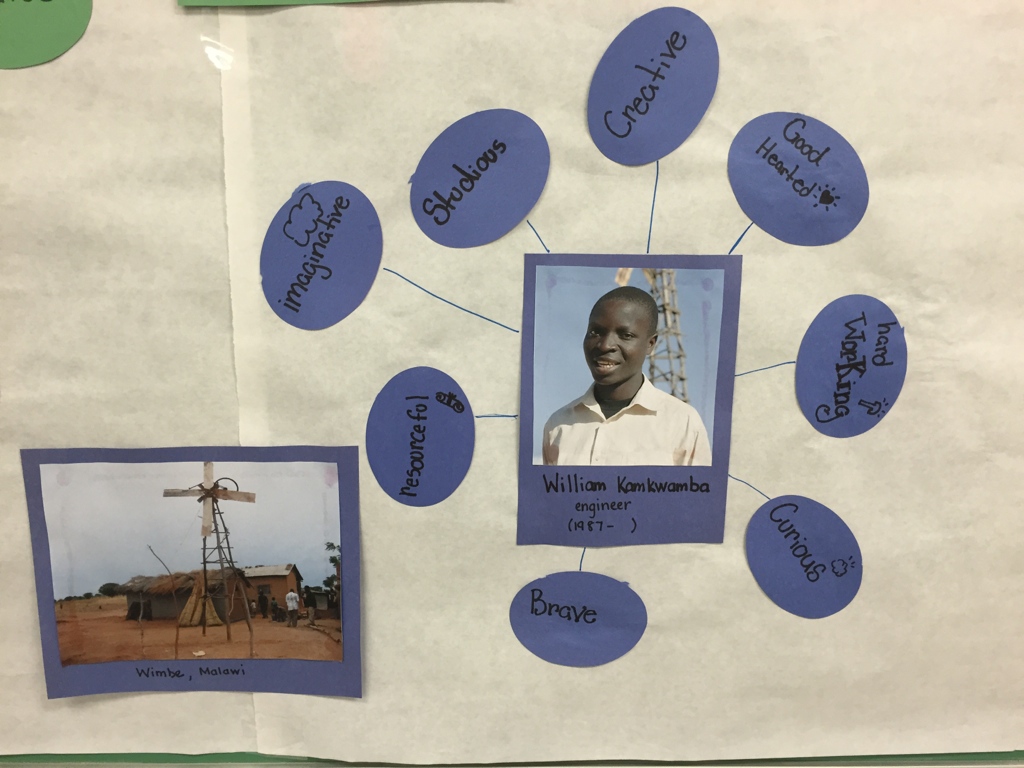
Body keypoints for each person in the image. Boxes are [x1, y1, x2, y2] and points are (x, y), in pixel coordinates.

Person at [542, 286, 711, 466]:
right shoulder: (558, 425)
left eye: (626, 335)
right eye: (595, 332)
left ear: (650, 344)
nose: (605, 345)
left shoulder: (682, 423)